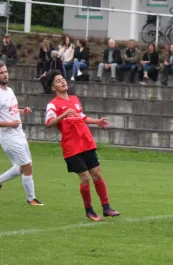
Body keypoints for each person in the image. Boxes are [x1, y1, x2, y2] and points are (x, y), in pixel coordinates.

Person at [44, 70, 120, 221]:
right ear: (53, 88)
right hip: (72, 147)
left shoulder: (74, 99)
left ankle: (106, 207)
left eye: (63, 79)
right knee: (85, 178)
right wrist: (64, 115)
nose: (63, 82)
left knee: (97, 174)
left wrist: (97, 121)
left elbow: (81, 116)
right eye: (58, 81)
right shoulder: (53, 104)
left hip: (86, 142)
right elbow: (48, 123)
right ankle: (89, 210)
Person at [0, 61, 43, 205]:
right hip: (8, 137)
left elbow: (10, 110)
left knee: (22, 167)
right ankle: (31, 199)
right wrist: (10, 124)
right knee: (27, 166)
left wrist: (22, 111)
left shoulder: (9, 90)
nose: (5, 74)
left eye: (5, 71)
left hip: (19, 134)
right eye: (1, 73)